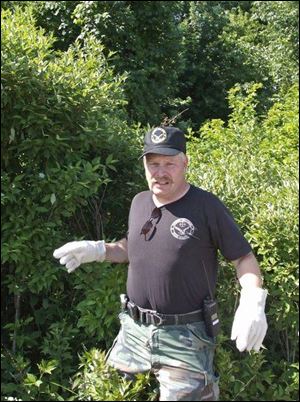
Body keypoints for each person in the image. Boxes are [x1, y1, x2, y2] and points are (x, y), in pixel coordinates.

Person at [53, 126, 268, 401]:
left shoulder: (206, 206)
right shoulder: (139, 201)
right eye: (153, 164)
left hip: (185, 338)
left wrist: (253, 299)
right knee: (104, 393)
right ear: (144, 165)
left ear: (185, 163)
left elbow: (243, 258)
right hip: (132, 330)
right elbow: (132, 247)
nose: (160, 172)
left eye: (169, 163)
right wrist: (97, 250)